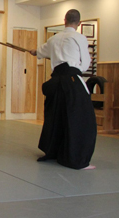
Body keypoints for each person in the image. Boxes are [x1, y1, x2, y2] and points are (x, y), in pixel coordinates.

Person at [29, 9, 97, 170]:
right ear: (79, 24)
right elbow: (86, 63)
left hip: (55, 82)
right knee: (82, 120)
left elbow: (40, 51)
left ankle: (53, 151)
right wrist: (76, 68)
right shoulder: (79, 37)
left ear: (64, 20)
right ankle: (76, 159)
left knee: (55, 117)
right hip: (72, 81)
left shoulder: (53, 39)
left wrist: (35, 52)